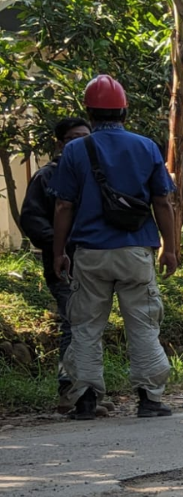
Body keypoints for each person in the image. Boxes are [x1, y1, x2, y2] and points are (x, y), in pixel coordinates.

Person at [51, 74, 178, 420]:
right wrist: (170, 248)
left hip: (89, 253)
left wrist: (58, 252)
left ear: (89, 113)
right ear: (125, 111)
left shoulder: (75, 150)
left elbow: (64, 206)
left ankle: (86, 400)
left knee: (86, 326)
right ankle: (149, 399)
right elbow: (163, 202)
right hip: (136, 250)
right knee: (143, 323)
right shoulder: (146, 146)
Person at [20, 118, 102, 415]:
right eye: (72, 139)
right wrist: (61, 244)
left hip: (96, 263)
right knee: (73, 325)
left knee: (91, 328)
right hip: (63, 266)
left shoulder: (94, 175)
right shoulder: (47, 177)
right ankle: (71, 393)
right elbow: (31, 219)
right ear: (60, 143)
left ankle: (89, 392)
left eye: (85, 138)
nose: (79, 144)